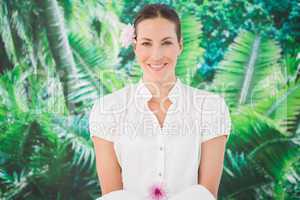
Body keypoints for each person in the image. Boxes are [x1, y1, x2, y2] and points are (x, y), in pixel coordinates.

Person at [89, 3, 231, 200]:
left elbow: (206, 194)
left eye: (166, 43)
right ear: (135, 46)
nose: (156, 55)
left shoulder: (211, 108)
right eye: (146, 43)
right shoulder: (107, 110)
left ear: (180, 46)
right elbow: (113, 196)